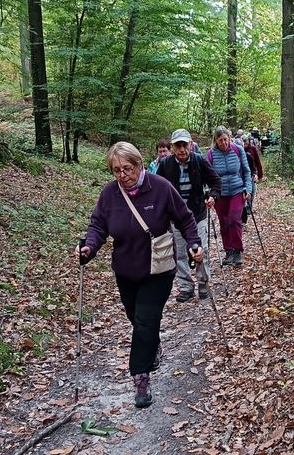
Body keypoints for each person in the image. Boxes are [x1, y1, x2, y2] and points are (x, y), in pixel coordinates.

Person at [76, 142, 203, 409]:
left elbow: (185, 218)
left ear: (139, 165)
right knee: (137, 319)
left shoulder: (160, 187)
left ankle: (141, 378)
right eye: (116, 170)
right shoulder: (110, 194)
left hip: (158, 269)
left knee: (146, 320)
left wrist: (194, 243)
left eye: (127, 168)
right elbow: (98, 225)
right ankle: (152, 345)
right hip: (126, 270)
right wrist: (89, 246)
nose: (123, 175)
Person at [157, 128, 222, 302]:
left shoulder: (199, 161)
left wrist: (213, 196)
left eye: (184, 145)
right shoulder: (165, 164)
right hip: (176, 217)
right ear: (172, 147)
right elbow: (157, 188)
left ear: (190, 144)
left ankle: (203, 283)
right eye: (177, 146)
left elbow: (216, 181)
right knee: (180, 253)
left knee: (200, 250)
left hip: (198, 213)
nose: (182, 149)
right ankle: (186, 287)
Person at [206, 126, 252, 267]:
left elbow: (246, 171)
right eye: (220, 140)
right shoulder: (211, 155)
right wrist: (209, 194)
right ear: (216, 141)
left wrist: (248, 188)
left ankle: (237, 250)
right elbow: (207, 176)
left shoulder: (238, 150)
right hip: (220, 193)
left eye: (225, 139)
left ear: (229, 138)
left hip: (237, 190)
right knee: (224, 221)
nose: (224, 143)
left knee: (234, 218)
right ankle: (228, 251)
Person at [242, 135, 263, 210]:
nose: (245, 145)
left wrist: (260, 175)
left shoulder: (252, 149)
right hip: (242, 173)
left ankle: (249, 206)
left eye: (246, 143)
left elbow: (257, 162)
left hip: (251, 173)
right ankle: (245, 206)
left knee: (252, 190)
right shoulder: (240, 150)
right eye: (244, 144)